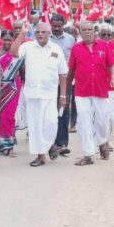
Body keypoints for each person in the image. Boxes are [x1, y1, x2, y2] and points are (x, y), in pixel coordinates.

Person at [10, 22, 68, 167]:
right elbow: (13, 52)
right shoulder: (28, 47)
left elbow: (62, 74)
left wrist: (63, 96)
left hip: (50, 94)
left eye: (43, 32)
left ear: (49, 34)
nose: (40, 34)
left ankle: (48, 145)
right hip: (32, 94)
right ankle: (41, 155)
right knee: (35, 127)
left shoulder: (56, 49)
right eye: (37, 32)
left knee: (51, 123)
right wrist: (22, 34)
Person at [67, 22, 114, 166]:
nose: (86, 32)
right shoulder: (76, 48)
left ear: (93, 31)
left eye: (89, 30)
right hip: (81, 92)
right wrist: (65, 93)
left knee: (103, 121)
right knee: (84, 122)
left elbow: (112, 65)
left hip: (101, 90)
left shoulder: (104, 45)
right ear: (80, 32)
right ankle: (88, 154)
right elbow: (71, 71)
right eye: (83, 30)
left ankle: (103, 141)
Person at [48, 13, 76, 152]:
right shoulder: (46, 38)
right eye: (54, 26)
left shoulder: (71, 39)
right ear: (50, 25)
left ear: (63, 25)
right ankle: (49, 142)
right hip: (49, 80)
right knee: (49, 111)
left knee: (63, 110)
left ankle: (63, 142)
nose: (57, 29)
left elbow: (74, 59)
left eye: (59, 26)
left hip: (66, 79)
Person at [0, 30, 23, 156]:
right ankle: (0, 143)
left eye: (9, 40)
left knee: (9, 116)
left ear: (13, 41)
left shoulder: (16, 52)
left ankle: (10, 145)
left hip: (13, 88)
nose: (7, 42)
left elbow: (22, 69)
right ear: (1, 39)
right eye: (5, 39)